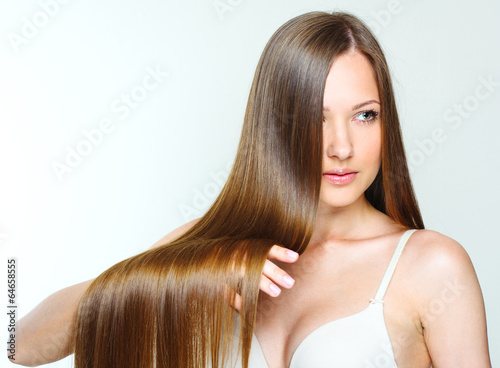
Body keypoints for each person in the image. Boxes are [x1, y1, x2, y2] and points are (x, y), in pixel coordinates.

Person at [10, 11, 491, 368]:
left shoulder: (430, 266)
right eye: (314, 119)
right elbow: (22, 343)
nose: (341, 147)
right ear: (277, 126)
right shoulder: (214, 247)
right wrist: (186, 271)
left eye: (364, 115)